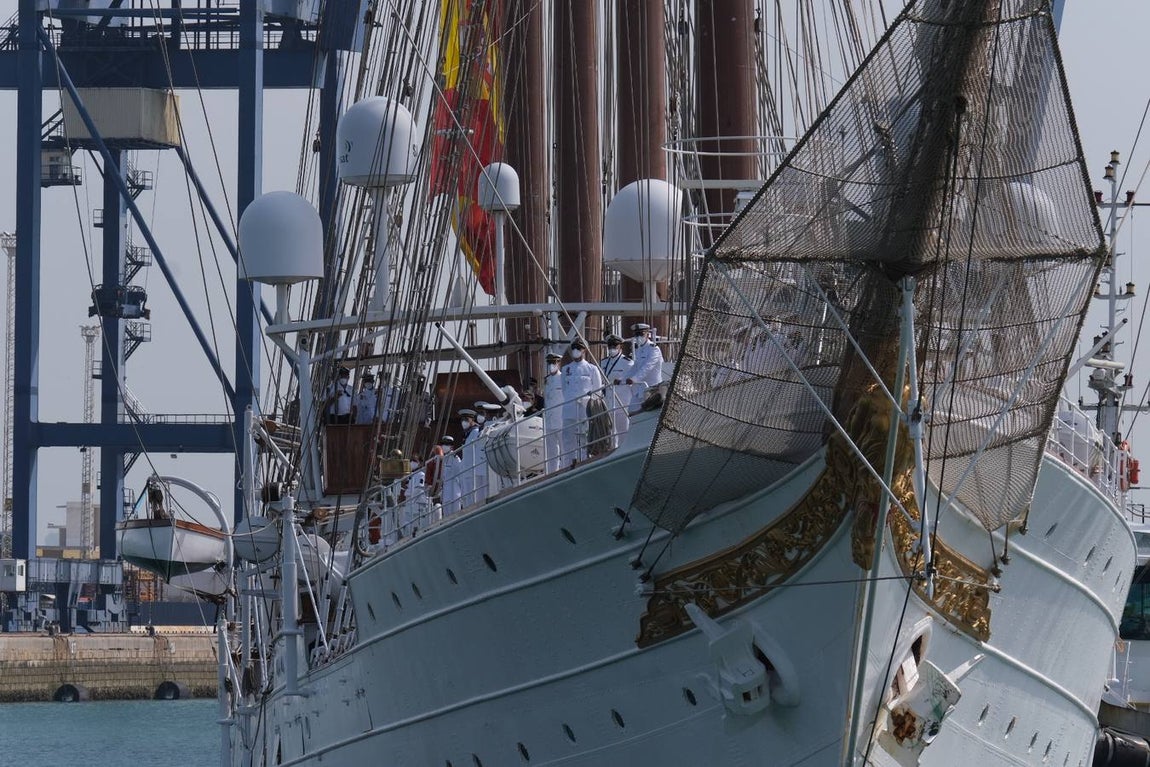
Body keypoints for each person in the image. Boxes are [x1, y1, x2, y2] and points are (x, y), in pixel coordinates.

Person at [561, 338, 606, 464]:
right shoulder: (566, 369)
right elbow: (564, 389)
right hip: (569, 407)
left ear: (584, 350)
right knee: (568, 436)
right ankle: (568, 462)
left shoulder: (592, 369)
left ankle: (585, 460)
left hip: (585, 408)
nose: (576, 351)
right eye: (574, 348)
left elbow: (597, 391)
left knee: (584, 436)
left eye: (578, 349)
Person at [599, 334, 633, 449]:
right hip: (608, 401)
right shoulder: (603, 363)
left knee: (623, 432)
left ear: (620, 347)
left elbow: (631, 381)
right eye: (610, 346)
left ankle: (624, 451)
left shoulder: (627, 362)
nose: (612, 348)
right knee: (610, 434)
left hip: (622, 402)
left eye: (615, 346)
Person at [626, 323, 664, 407]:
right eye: (636, 335)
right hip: (642, 389)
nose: (638, 337)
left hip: (653, 390)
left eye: (641, 334)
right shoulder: (639, 350)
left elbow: (647, 367)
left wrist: (634, 379)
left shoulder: (654, 349)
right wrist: (622, 379)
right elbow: (634, 368)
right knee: (631, 409)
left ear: (647, 334)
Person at [542, 352, 565, 472]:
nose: (551, 365)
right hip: (550, 420)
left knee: (564, 447)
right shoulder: (547, 380)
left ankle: (565, 468)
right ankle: (552, 471)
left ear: (558, 363)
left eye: (554, 363)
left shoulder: (563, 378)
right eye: (549, 363)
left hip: (561, 418)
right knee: (551, 450)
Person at [458, 408, 484, 508]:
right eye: (462, 420)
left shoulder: (476, 433)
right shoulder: (467, 434)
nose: (463, 422)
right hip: (467, 472)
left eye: (466, 420)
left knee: (473, 499)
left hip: (473, 472)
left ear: (472, 420)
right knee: (467, 499)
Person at [435, 436, 464, 516]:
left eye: (447, 444)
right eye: (443, 444)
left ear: (451, 446)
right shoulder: (442, 459)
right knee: (446, 515)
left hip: (454, 491)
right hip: (445, 492)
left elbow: (460, 476)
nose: (444, 446)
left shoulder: (455, 459)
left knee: (455, 515)